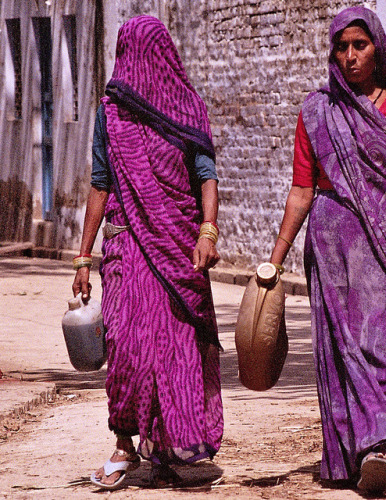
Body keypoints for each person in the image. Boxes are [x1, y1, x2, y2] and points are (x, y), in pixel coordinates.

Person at [270, 6, 386, 493]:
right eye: (341, 47)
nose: (350, 57)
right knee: (339, 349)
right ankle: (351, 455)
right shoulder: (317, 110)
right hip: (331, 246)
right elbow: (302, 190)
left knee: (380, 344)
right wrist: (275, 257)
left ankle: (378, 447)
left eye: (360, 45)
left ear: (378, 48)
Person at [72, 16, 223, 489]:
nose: (129, 64)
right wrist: (83, 257)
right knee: (126, 347)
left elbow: (206, 176)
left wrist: (208, 231)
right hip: (124, 244)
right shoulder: (111, 112)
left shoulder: (188, 109)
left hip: (177, 246)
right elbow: (100, 183)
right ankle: (123, 444)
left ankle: (164, 449)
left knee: (174, 349)